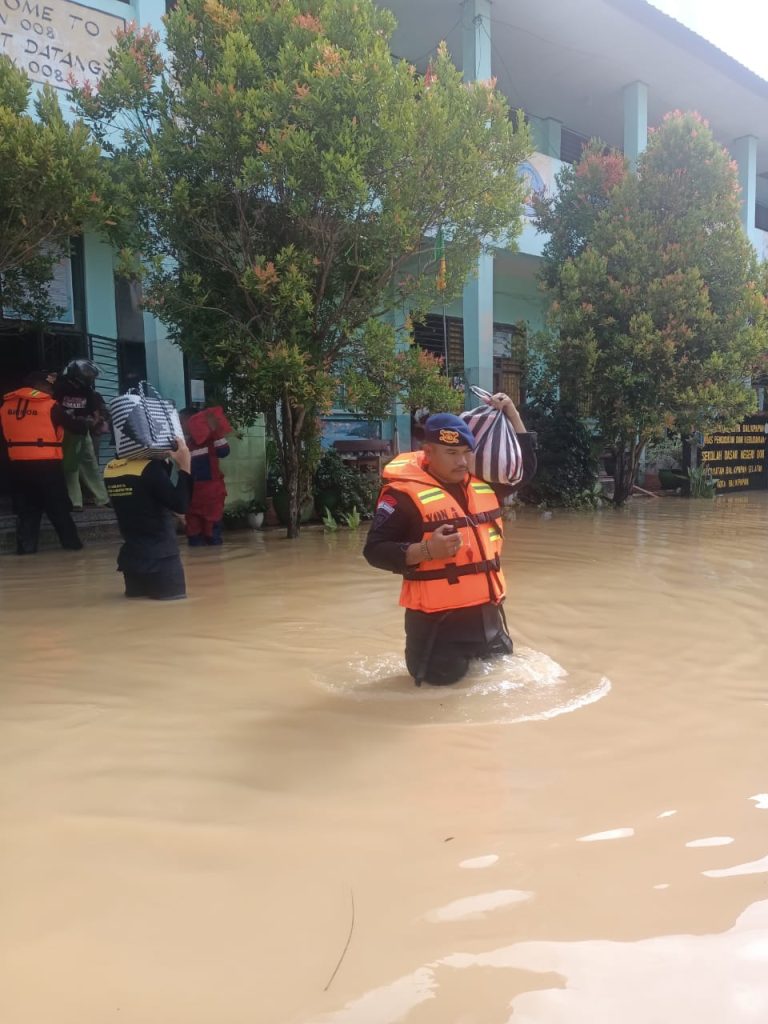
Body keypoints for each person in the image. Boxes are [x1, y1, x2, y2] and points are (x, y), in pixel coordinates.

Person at [363, 394, 536, 686]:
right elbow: (374, 551)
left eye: (466, 453)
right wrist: (426, 550)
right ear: (428, 452)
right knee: (435, 703)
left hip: (488, 624)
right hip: (437, 631)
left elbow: (525, 468)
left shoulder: (486, 487)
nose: (462, 461)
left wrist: (512, 414)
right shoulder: (401, 496)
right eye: (451, 453)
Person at [0, 370, 92, 554]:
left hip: (17, 465)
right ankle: (73, 547)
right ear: (38, 386)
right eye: (48, 386)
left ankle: (25, 552)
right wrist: (86, 423)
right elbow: (75, 427)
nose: (51, 390)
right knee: (58, 508)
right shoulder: (49, 406)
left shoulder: (5, 405)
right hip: (47, 465)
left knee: (27, 512)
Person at [103, 438, 193, 600]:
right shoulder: (150, 469)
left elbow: (145, 495)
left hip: (131, 559)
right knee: (174, 613)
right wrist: (185, 466)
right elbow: (179, 505)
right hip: (162, 559)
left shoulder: (110, 469)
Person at [54, 359, 110, 510]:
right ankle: (75, 501)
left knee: (90, 464)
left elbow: (94, 411)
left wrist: (94, 421)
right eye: (87, 375)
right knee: (71, 466)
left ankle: (102, 498)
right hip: (65, 432)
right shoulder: (60, 388)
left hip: (83, 432)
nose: (90, 378)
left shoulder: (87, 391)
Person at [180, 407, 231, 546]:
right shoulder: (187, 445)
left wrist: (215, 431)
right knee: (194, 536)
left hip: (211, 497)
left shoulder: (211, 440)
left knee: (212, 536)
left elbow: (224, 451)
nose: (180, 425)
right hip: (193, 499)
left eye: (182, 421)